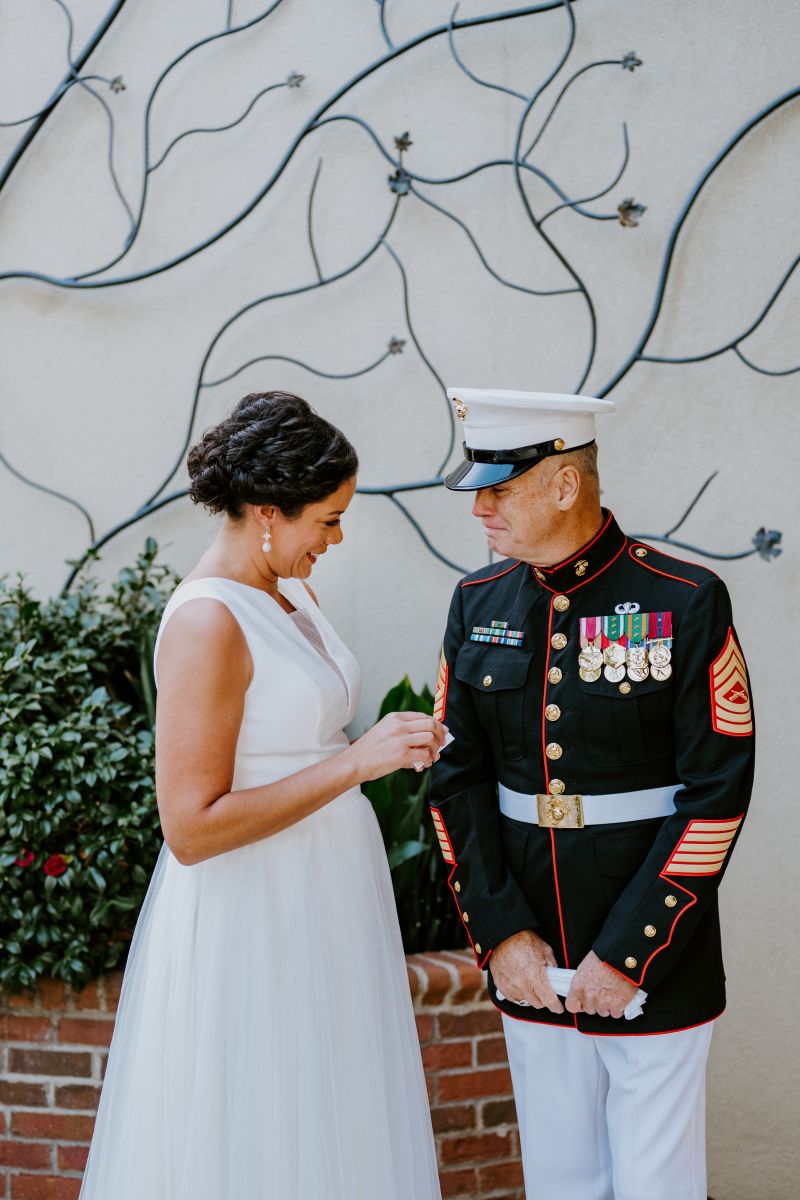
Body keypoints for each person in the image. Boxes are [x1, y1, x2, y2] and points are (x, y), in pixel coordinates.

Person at [78, 391, 445, 1200]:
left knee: (333, 1109)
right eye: (328, 518)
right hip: (254, 912)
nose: (336, 539)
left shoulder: (290, 592)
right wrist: (356, 766)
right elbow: (191, 827)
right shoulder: (208, 623)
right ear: (268, 511)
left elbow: (296, 736)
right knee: (261, 1118)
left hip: (326, 897)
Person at [428, 388, 755, 1200]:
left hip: (654, 952)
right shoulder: (478, 603)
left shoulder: (682, 598)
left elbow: (716, 792)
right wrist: (502, 935)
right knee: (561, 1182)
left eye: (498, 488)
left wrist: (630, 950)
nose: (480, 509)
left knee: (656, 1184)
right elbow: (453, 781)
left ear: (564, 485)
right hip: (532, 948)